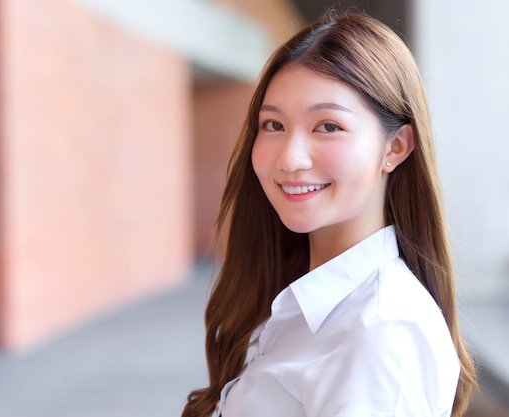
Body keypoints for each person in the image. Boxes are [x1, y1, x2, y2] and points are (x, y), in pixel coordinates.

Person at [182, 11, 477, 417]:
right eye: (273, 124)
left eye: (328, 126)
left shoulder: (381, 330)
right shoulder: (305, 300)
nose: (290, 158)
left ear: (396, 147)